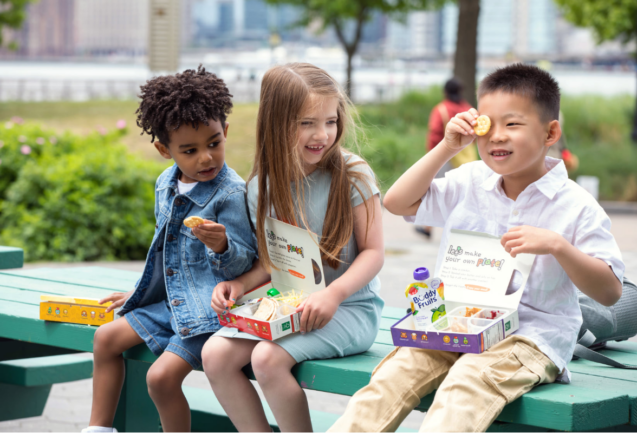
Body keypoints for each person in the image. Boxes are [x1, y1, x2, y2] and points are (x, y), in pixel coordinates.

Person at [330, 63, 625, 432]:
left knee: (464, 385)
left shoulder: (576, 206)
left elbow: (611, 292)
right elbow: (397, 203)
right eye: (487, 123)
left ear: (551, 132)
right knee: (389, 379)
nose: (496, 136)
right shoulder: (469, 180)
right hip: (453, 324)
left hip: (529, 338)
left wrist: (557, 245)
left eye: (513, 124)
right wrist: (446, 147)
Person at [201, 63, 385, 432]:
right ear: (276, 122)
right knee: (215, 354)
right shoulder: (262, 187)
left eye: (330, 121)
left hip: (348, 308)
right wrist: (238, 286)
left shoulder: (353, 173)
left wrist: (332, 296)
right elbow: (274, 264)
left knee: (267, 360)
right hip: (290, 304)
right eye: (306, 123)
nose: (322, 134)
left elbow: (374, 253)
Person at [83, 66, 257, 433]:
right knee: (105, 338)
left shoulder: (230, 193)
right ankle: (98, 428)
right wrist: (140, 291)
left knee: (160, 379)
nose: (206, 158)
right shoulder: (165, 184)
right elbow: (168, 255)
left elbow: (246, 264)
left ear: (225, 132)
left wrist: (223, 245)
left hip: (209, 315)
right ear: (165, 150)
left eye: (214, 143)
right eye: (190, 151)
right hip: (171, 303)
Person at [417, 78, 475, 239]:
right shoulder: (468, 109)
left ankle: (428, 228)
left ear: (445, 92)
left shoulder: (441, 109)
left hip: (444, 156)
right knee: (464, 192)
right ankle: (464, 227)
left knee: (434, 191)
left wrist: (432, 156)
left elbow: (435, 133)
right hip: (465, 156)